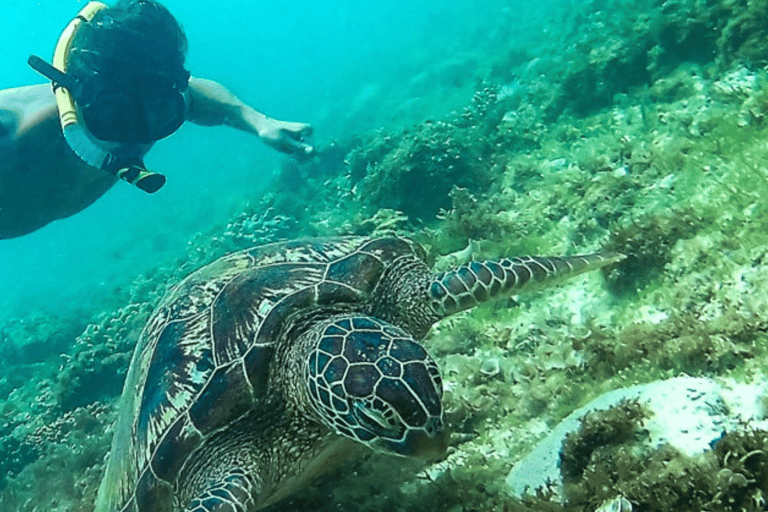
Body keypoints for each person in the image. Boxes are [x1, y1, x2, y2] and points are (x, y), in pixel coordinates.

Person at [0, 0, 314, 240]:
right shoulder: (14, 131)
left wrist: (256, 120)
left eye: (163, 115)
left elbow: (192, 95)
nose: (128, 143)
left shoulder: (144, 101)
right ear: (78, 97)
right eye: (116, 119)